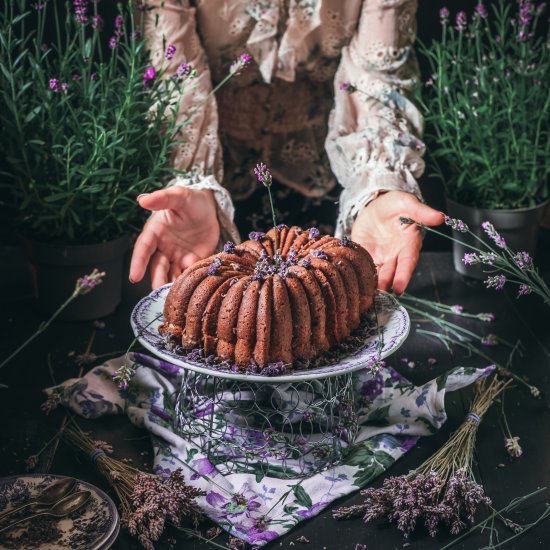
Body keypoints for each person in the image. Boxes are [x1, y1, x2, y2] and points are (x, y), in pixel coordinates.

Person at [129, 0, 444, 294]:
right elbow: (173, 75)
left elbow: (378, 75)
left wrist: (378, 186)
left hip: (334, 178)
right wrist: (191, 179)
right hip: (204, 205)